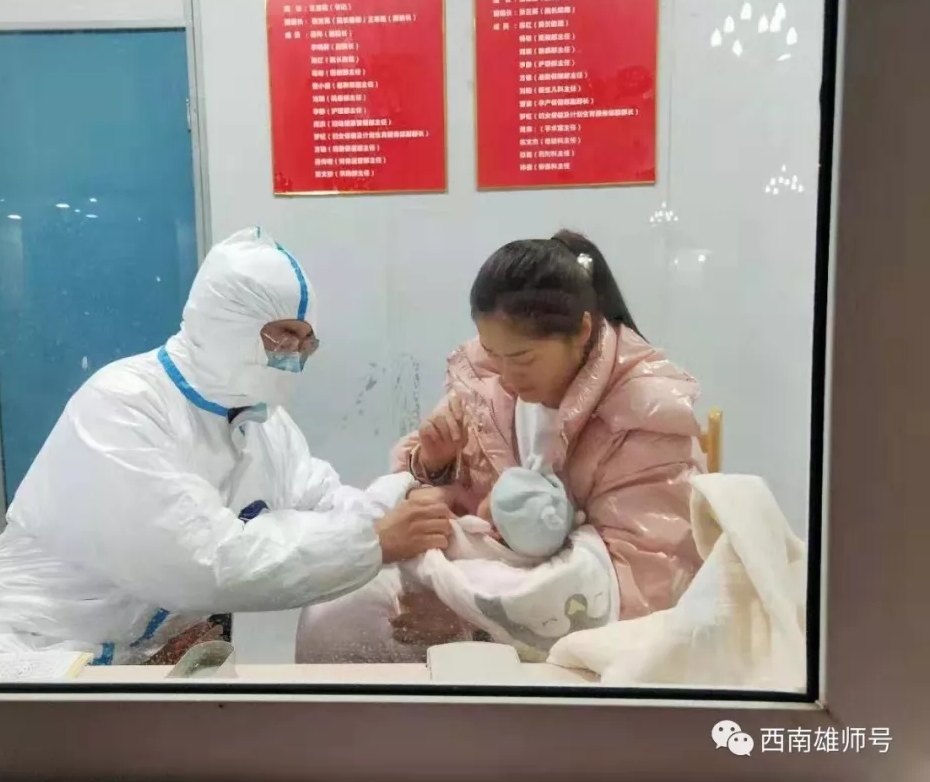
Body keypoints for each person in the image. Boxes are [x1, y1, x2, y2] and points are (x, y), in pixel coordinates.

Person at [0, 227, 453, 665]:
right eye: (283, 336)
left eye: (306, 341)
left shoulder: (265, 424)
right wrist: (373, 543)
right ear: (225, 324)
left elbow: (325, 502)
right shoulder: (123, 405)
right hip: (22, 652)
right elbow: (204, 561)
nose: (295, 357)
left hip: (130, 662)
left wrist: (409, 493)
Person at [296, 230, 703, 663]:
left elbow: (645, 588)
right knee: (334, 615)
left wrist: (473, 625)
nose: (506, 376)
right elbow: (447, 484)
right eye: (493, 353)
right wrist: (435, 463)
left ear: (583, 330)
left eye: (523, 359)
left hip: (576, 630)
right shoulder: (487, 379)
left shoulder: (645, 416)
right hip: (491, 580)